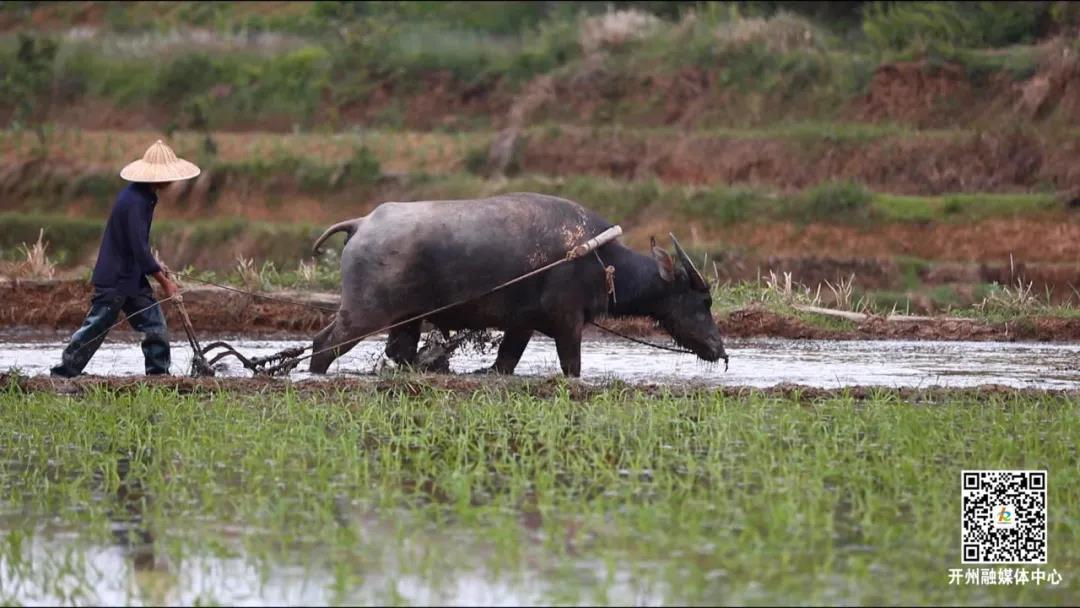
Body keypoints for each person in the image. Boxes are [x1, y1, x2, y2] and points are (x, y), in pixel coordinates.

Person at [50, 140, 200, 378]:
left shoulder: (144, 196)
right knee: (96, 328)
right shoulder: (135, 202)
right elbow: (139, 249)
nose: (172, 181)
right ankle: (63, 374)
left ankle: (159, 377)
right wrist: (165, 283)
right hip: (116, 279)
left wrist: (155, 265)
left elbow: (137, 245)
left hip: (133, 278)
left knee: (154, 327)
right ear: (156, 176)